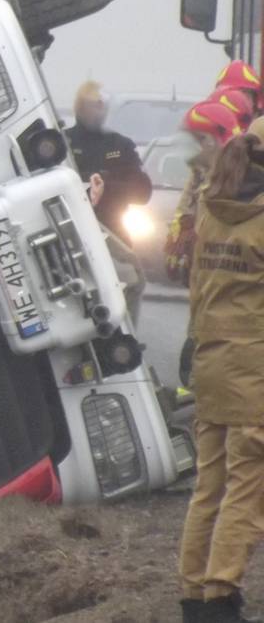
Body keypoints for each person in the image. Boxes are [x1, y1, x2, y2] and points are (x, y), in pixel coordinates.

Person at [178, 116, 264, 623]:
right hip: (252, 367)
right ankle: (221, 596)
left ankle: (193, 595)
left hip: (209, 360)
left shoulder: (210, 209)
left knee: (209, 485)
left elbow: (194, 286)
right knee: (247, 486)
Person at [65, 80, 152, 322]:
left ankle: (128, 336)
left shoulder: (120, 145)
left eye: (103, 105)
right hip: (72, 233)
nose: (99, 111)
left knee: (133, 280)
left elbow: (142, 192)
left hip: (113, 231)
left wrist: (107, 186)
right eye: (93, 105)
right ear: (79, 107)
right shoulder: (63, 144)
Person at [165, 100, 242, 284]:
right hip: (208, 297)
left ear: (208, 142)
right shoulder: (203, 175)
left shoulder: (239, 182)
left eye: (190, 139)